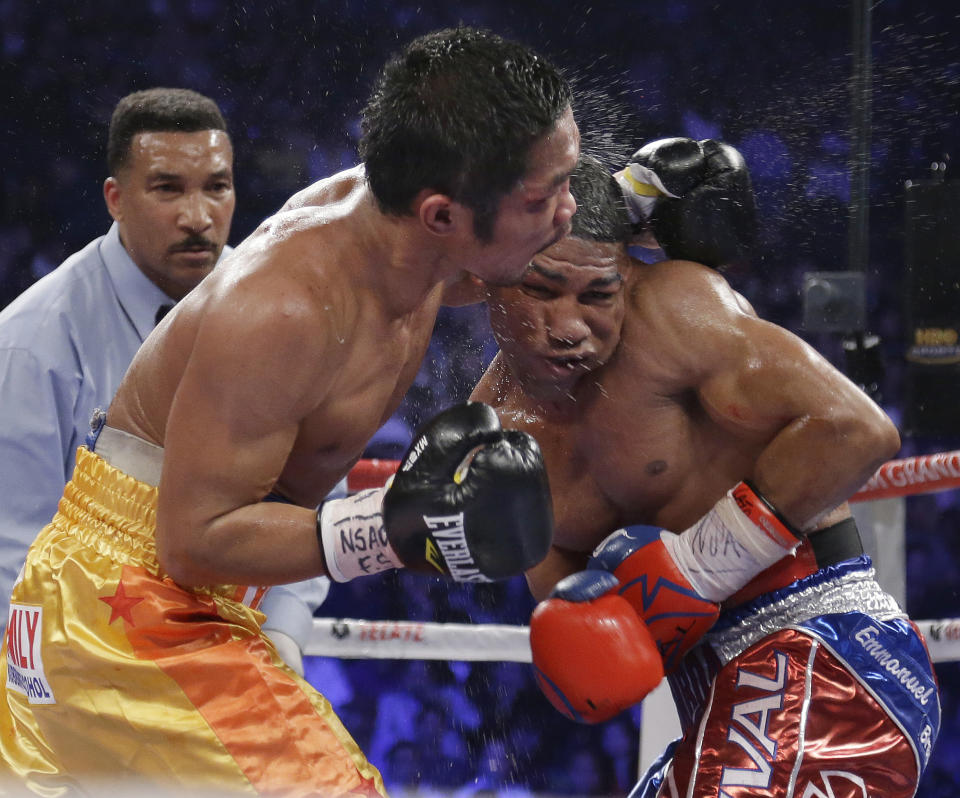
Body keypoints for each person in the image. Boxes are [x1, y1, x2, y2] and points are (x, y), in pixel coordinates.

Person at [0, 26, 575, 796]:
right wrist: (394, 528)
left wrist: (639, 210)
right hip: (129, 606)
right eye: (547, 197)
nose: (567, 213)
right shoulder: (287, 309)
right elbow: (192, 541)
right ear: (443, 215)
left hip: (187, 596)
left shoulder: (413, 233)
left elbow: (509, 252)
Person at [470, 151, 939, 797]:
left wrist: (696, 568)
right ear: (488, 280)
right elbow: (589, 617)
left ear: (628, 275)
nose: (572, 326)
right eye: (542, 290)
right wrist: (593, 630)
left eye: (599, 293)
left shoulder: (676, 311)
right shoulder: (495, 433)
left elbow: (856, 429)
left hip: (822, 651)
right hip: (713, 699)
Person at [0, 87, 236, 634]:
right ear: (116, 199)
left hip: (237, 637)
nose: (198, 217)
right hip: (82, 650)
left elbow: (312, 480)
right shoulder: (32, 344)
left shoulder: (275, 306)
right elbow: (12, 545)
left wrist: (283, 632)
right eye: (168, 189)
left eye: (216, 188)